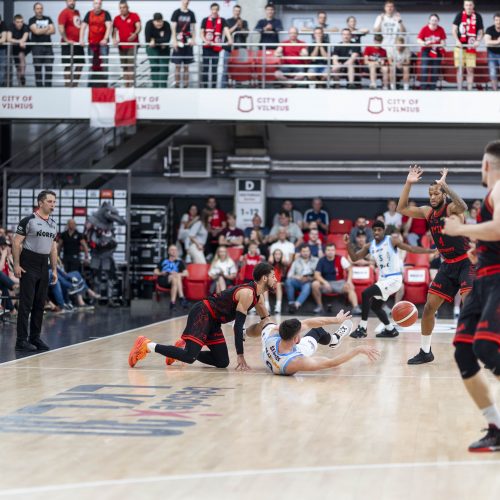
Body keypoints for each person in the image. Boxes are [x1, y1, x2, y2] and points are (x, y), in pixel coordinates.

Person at [443, 140, 500, 453]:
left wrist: (460, 231)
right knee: (464, 352)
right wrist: (482, 251)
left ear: (486, 165)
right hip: (484, 280)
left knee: (486, 347)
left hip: (497, 281)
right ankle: (496, 427)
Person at [128, 262, 276, 371]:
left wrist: (267, 331)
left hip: (214, 322)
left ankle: (181, 350)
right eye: (273, 276)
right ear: (264, 278)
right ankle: (146, 345)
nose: (276, 279)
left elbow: (265, 323)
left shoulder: (259, 297)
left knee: (222, 361)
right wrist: (240, 355)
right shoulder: (247, 293)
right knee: (189, 357)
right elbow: (238, 326)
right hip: (203, 313)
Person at [397, 166, 475, 364]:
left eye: (436, 192)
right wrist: (408, 183)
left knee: (469, 304)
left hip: (466, 262)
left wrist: (445, 186)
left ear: (443, 194)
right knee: (429, 307)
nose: (432, 196)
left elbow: (463, 205)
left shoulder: (451, 208)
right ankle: (425, 351)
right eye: (430, 193)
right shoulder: (427, 212)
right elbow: (402, 209)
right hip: (448, 265)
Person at [346, 220, 434, 339]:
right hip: (383, 280)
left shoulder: (391, 241)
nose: (377, 232)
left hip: (394, 279)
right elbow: (355, 258)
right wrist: (348, 245)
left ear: (383, 231)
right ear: (372, 232)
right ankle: (390, 330)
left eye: (379, 230)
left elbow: (411, 248)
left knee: (366, 294)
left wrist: (430, 251)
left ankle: (362, 328)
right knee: (375, 307)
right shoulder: (370, 245)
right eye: (375, 230)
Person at [249, 312, 379, 376]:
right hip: (287, 359)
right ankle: (335, 339)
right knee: (317, 330)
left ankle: (244, 333)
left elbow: (308, 323)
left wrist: (336, 320)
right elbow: (331, 363)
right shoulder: (297, 361)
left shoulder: (273, 333)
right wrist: (358, 349)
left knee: (266, 322)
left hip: (273, 351)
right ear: (296, 339)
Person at [12, 191, 58, 352]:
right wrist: (16, 265)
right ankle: (21, 341)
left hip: (43, 264)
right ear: (41, 203)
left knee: (40, 304)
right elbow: (16, 242)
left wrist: (54, 269)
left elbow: (53, 247)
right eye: (50, 201)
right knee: (26, 304)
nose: (53, 204)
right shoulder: (29, 220)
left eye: (54, 201)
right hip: (28, 262)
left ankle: (35, 338)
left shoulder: (53, 223)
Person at [312, 243, 360, 315]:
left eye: (332, 250)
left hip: (339, 283)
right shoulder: (321, 260)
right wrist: (324, 282)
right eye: (328, 250)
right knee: (314, 284)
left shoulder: (341, 258)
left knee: (350, 286)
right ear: (325, 251)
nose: (330, 252)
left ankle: (356, 308)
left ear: (335, 251)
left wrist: (349, 281)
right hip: (326, 283)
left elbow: (350, 269)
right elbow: (316, 275)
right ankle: (320, 306)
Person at [452, 0, 484, 91]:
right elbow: (454, 29)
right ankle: (459, 89)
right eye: (466, 5)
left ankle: (469, 90)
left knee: (470, 69)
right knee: (460, 70)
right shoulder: (459, 15)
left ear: (473, 6)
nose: (468, 7)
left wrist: (478, 41)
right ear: (464, 6)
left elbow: (481, 32)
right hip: (459, 48)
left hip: (471, 47)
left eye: (470, 5)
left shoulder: (478, 16)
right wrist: (457, 41)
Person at [80, 0, 112, 87]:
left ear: (101, 5)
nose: (97, 5)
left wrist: (105, 39)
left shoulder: (106, 14)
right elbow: (83, 26)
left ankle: (104, 85)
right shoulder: (89, 14)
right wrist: (81, 39)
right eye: (96, 3)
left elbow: (109, 26)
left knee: (104, 65)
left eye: (99, 4)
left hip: (103, 45)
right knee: (92, 65)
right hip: (92, 44)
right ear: (93, 4)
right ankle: (90, 85)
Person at [200, 3, 232, 89]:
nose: (214, 11)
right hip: (206, 47)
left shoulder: (222, 20)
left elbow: (226, 30)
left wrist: (229, 39)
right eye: (213, 9)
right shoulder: (205, 20)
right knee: (206, 68)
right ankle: (205, 87)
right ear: (210, 10)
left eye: (216, 9)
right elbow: (201, 33)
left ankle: (213, 87)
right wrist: (205, 40)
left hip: (216, 47)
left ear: (218, 10)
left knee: (214, 69)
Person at [113, 0, 141, 87]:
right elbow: (114, 31)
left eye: (124, 7)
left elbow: (139, 27)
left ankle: (131, 86)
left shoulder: (134, 15)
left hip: (132, 45)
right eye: (120, 8)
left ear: (127, 8)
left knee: (130, 66)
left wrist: (135, 34)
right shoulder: (117, 18)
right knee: (124, 67)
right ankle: (127, 86)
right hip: (122, 46)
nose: (122, 9)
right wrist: (114, 39)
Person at [171, 0, 196, 88]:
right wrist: (174, 40)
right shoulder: (176, 12)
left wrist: (193, 39)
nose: (186, 1)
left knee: (186, 66)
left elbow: (193, 28)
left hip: (187, 42)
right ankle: (177, 85)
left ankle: (186, 85)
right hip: (178, 42)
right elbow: (173, 28)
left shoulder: (191, 13)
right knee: (177, 66)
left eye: (188, 0)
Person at [417, 13, 447, 91]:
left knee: (435, 69)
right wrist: (424, 43)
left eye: (435, 20)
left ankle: (433, 88)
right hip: (426, 50)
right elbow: (419, 39)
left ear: (438, 21)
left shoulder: (441, 29)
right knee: (425, 68)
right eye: (432, 20)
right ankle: (423, 87)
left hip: (437, 50)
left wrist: (441, 45)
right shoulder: (424, 29)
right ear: (429, 21)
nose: (434, 22)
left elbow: (443, 42)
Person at [154, 244, 188, 309]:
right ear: (168, 252)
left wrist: (177, 274)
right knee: (175, 277)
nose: (174, 251)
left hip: (174, 281)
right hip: (164, 279)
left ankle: (172, 303)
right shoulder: (163, 260)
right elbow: (155, 271)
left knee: (175, 277)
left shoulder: (180, 262)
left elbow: (186, 273)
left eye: (175, 250)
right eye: (172, 250)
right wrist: (161, 273)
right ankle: (181, 298)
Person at [285, 244, 318, 313]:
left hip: (309, 281)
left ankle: (296, 305)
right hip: (298, 281)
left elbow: (318, 274)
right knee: (288, 281)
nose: (306, 253)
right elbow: (289, 275)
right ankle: (291, 303)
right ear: (300, 252)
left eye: (307, 251)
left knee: (308, 286)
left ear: (310, 252)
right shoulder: (296, 261)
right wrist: (297, 277)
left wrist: (309, 278)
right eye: (303, 251)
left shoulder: (316, 260)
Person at [58, 0, 84, 86]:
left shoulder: (77, 12)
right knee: (68, 66)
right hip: (67, 45)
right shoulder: (64, 13)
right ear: (66, 2)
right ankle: (68, 86)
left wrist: (81, 39)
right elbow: (61, 28)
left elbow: (79, 26)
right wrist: (66, 40)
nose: (71, 2)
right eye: (69, 1)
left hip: (77, 44)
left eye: (73, 1)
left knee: (80, 64)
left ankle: (74, 85)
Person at [29, 3, 55, 88]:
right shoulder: (32, 20)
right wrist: (47, 28)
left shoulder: (48, 18)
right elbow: (35, 31)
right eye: (37, 8)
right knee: (38, 69)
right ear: (34, 10)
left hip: (48, 47)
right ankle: (39, 88)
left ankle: (48, 88)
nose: (39, 10)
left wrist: (40, 30)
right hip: (37, 47)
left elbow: (53, 30)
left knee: (49, 69)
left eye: (41, 8)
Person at [223, 4, 248, 88]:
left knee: (239, 69)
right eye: (235, 11)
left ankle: (238, 86)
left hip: (241, 49)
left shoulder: (244, 22)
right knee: (226, 68)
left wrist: (241, 27)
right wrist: (236, 25)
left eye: (238, 11)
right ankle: (224, 86)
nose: (237, 12)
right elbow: (226, 32)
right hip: (229, 49)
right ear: (233, 11)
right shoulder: (228, 21)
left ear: (240, 12)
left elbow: (246, 34)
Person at [145, 13, 171, 88]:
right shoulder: (149, 24)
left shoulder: (166, 24)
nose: (159, 23)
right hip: (152, 49)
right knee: (154, 67)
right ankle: (155, 87)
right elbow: (147, 39)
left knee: (164, 68)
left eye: (160, 21)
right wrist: (161, 41)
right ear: (153, 21)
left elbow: (167, 39)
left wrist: (154, 40)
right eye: (157, 22)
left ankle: (163, 87)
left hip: (164, 49)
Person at [7, 14, 30, 86]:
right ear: (14, 22)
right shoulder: (11, 26)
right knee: (18, 66)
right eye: (18, 22)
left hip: (25, 45)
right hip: (16, 46)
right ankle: (20, 83)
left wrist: (21, 41)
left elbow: (25, 38)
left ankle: (22, 75)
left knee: (21, 56)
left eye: (21, 22)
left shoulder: (25, 26)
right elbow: (8, 38)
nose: (20, 24)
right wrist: (18, 41)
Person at [267, 248, 286, 313]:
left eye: (279, 254)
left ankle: (278, 306)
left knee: (278, 284)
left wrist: (284, 259)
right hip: (270, 284)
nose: (277, 256)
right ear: (272, 256)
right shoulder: (269, 265)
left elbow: (284, 278)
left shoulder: (283, 265)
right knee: (265, 284)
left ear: (282, 256)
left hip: (280, 284)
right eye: (276, 254)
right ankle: (266, 305)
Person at [485, 13, 500, 91]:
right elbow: (487, 42)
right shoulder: (489, 29)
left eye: (499, 20)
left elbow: (490, 41)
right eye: (496, 20)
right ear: (494, 21)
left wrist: (493, 42)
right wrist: (497, 41)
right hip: (492, 54)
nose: (498, 22)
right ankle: (494, 91)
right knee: (493, 72)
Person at [0, 15, 7, 87]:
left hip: (1, 50)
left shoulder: (3, 25)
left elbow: (3, 39)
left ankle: (0, 84)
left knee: (1, 67)